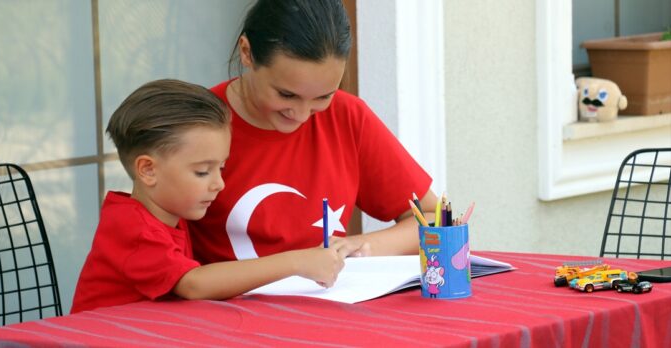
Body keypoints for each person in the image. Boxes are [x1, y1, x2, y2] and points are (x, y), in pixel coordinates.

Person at [189, 0, 438, 265]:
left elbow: (433, 217)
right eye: (287, 94)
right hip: (227, 305)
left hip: (325, 303)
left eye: (323, 96)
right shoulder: (192, 126)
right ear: (247, 52)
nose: (301, 113)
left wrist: (361, 246)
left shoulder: (347, 116)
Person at [71, 79, 349, 314]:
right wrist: (296, 262)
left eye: (222, 168)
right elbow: (193, 284)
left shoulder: (171, 217)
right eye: (203, 172)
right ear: (147, 170)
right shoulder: (132, 227)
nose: (219, 184)